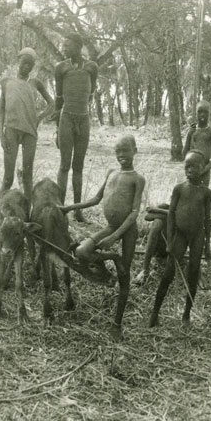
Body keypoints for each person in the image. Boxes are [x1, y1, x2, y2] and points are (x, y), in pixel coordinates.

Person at [58, 134, 145, 341]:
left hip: (127, 231)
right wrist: (70, 207)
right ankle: (111, 259)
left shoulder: (137, 179)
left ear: (135, 150)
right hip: (110, 227)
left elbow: (134, 213)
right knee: (81, 252)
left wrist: (116, 236)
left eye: (125, 150)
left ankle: (117, 324)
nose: (121, 155)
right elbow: (97, 199)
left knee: (125, 276)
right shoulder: (111, 172)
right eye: (118, 151)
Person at [149, 150, 211, 328]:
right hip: (181, 235)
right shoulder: (179, 189)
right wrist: (169, 241)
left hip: (197, 236)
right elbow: (171, 216)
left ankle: (186, 315)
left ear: (203, 168)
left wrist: (207, 246)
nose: (190, 169)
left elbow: (207, 219)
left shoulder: (206, 193)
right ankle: (154, 313)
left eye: (194, 166)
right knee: (168, 273)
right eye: (187, 166)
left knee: (193, 273)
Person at [0, 47, 54, 204]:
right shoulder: (6, 82)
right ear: (18, 61)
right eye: (24, 63)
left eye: (30, 64)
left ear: (33, 66)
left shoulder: (36, 83)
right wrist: (0, 134)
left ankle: (27, 213)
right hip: (11, 130)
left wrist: (39, 118)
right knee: (8, 176)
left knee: (28, 174)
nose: (26, 67)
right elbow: (1, 109)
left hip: (30, 131)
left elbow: (52, 103)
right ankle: (0, 210)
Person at [54, 32, 98, 222]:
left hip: (84, 118)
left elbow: (91, 92)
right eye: (63, 45)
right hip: (66, 118)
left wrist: (82, 110)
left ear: (78, 46)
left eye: (67, 45)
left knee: (78, 166)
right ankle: (61, 209)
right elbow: (58, 98)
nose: (64, 48)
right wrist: (58, 128)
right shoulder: (61, 68)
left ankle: (78, 210)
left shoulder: (91, 67)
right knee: (64, 165)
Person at [182, 100, 211, 186]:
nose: (202, 114)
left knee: (202, 196)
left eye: (205, 112)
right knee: (189, 194)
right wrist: (189, 135)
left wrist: (203, 170)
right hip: (191, 170)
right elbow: (184, 154)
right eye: (199, 112)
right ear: (196, 113)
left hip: (204, 170)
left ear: (210, 114)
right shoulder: (192, 131)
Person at [132, 203, 169, 285]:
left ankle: (145, 270)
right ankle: (145, 270)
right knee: (158, 222)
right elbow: (147, 217)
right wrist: (165, 215)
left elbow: (176, 215)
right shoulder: (165, 207)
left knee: (158, 221)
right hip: (157, 248)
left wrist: (157, 211)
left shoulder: (181, 209)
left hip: (170, 249)